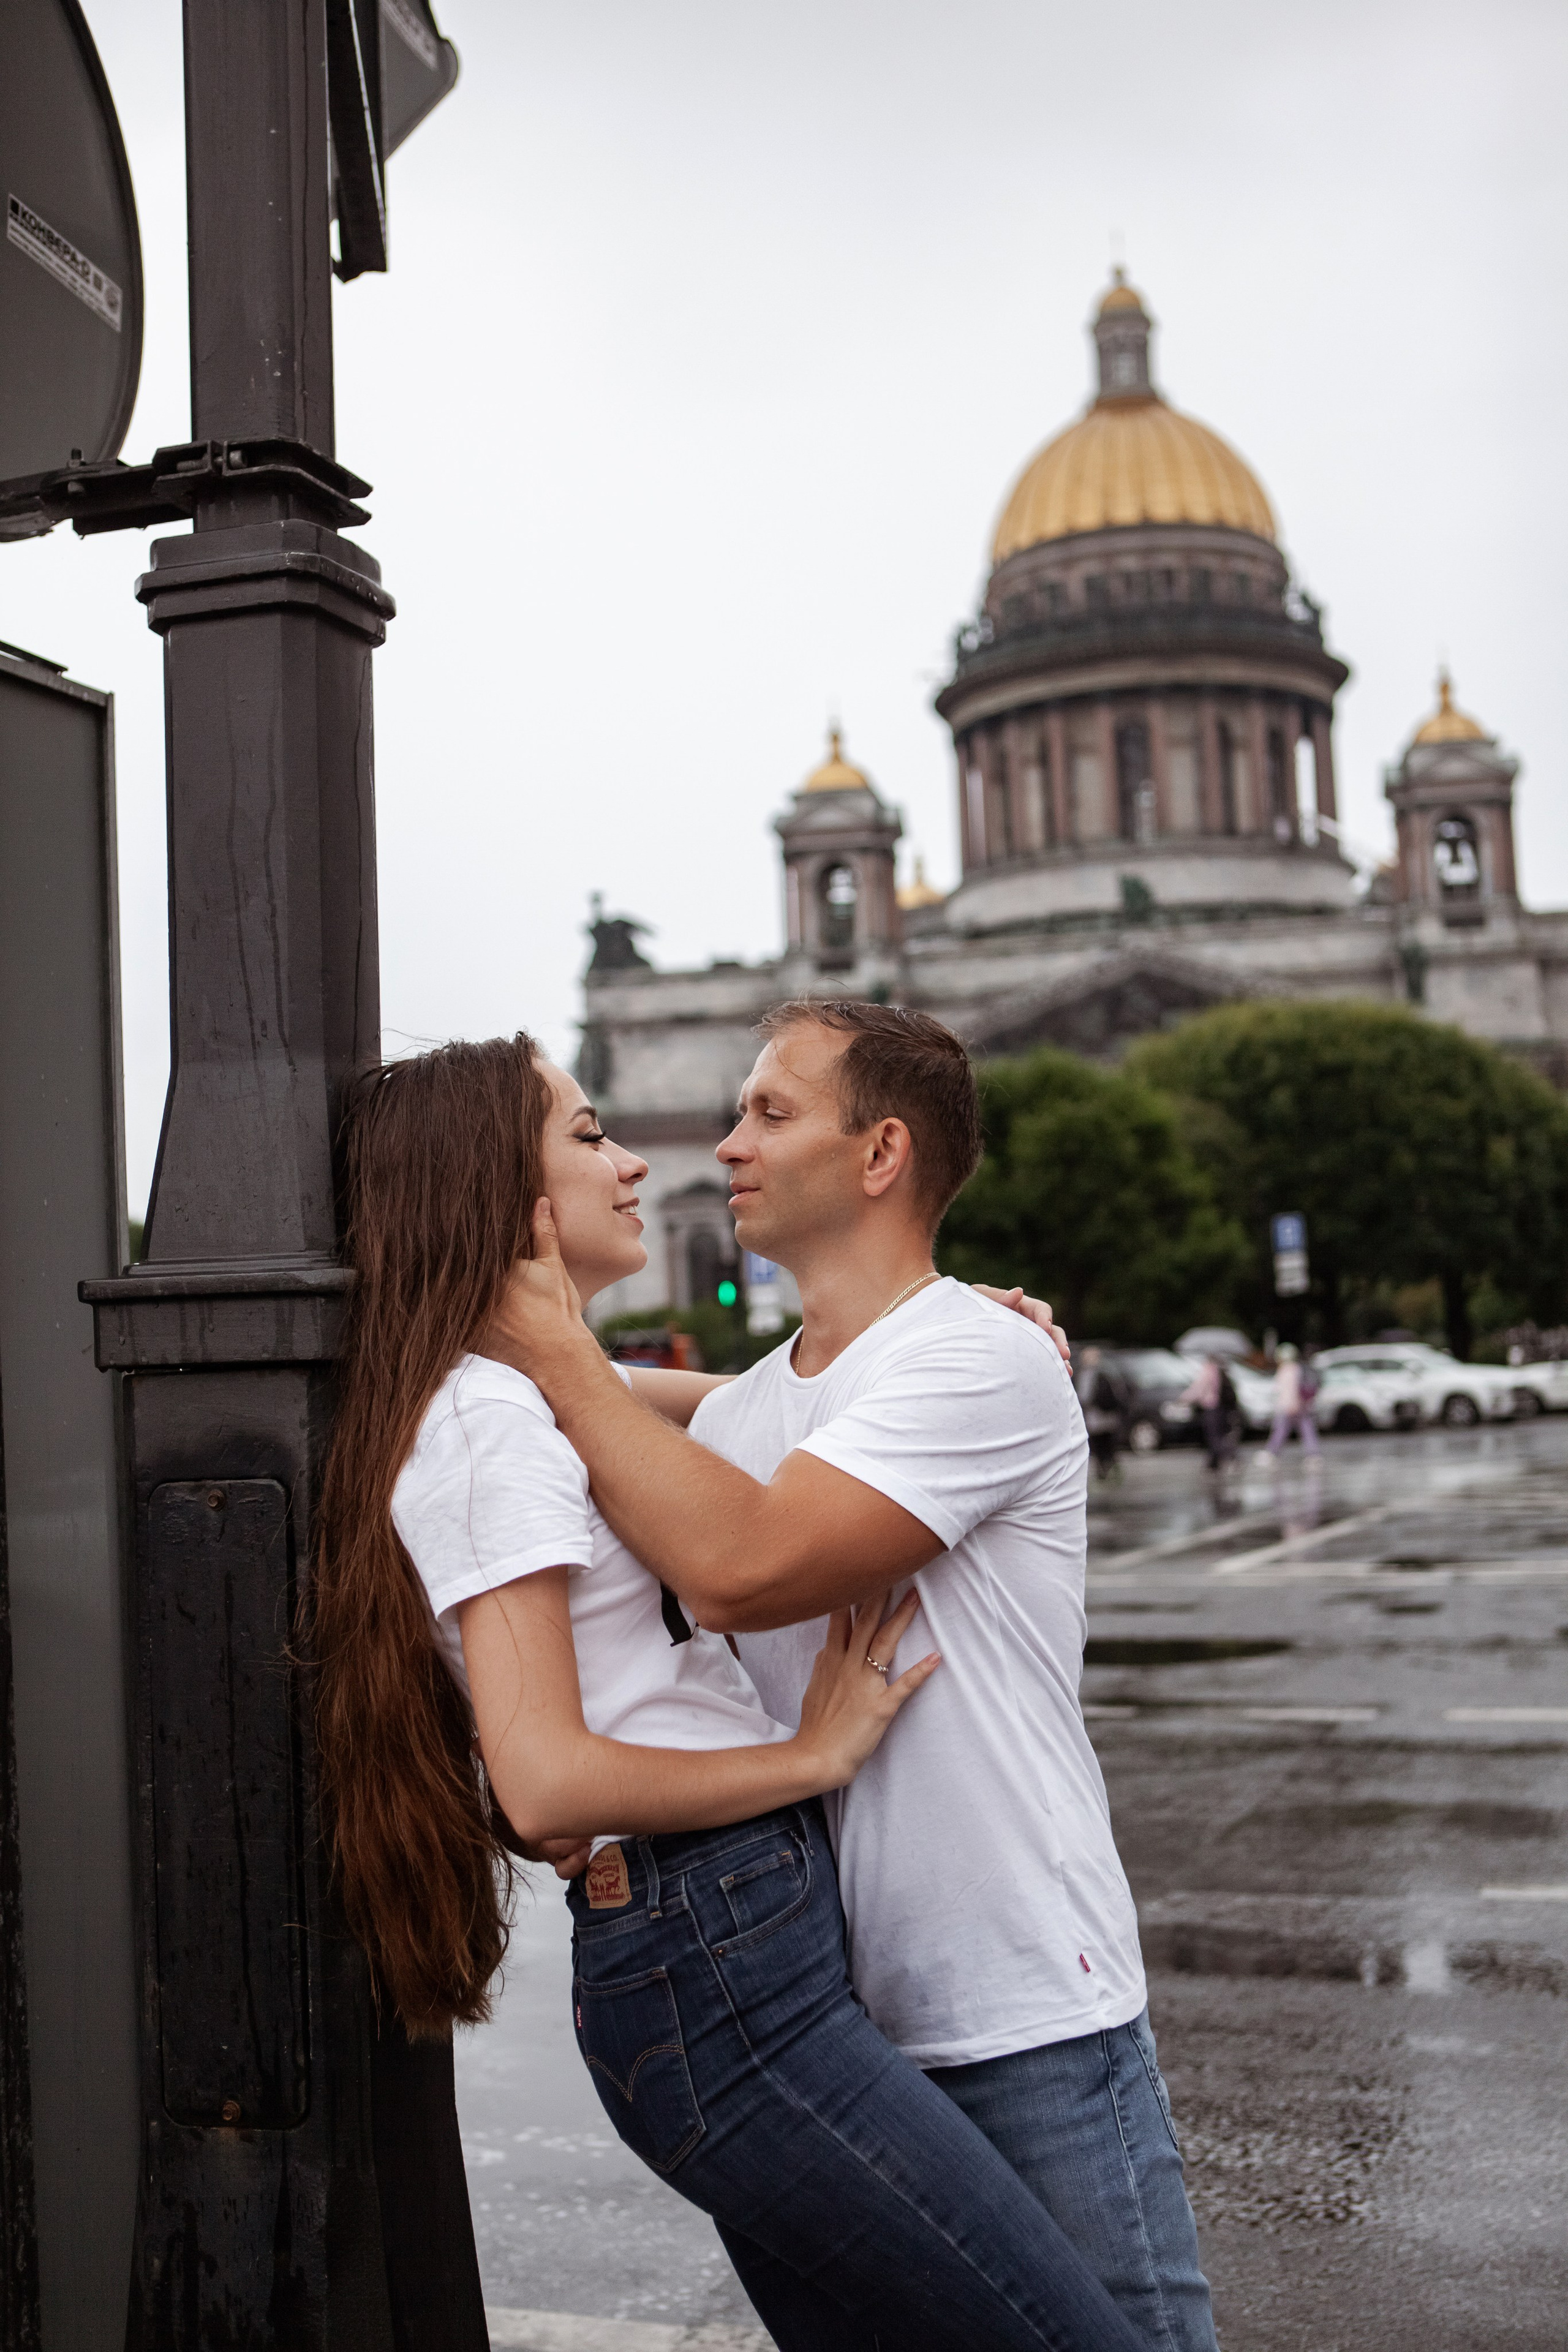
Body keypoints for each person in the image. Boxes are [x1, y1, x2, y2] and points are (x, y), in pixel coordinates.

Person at [310, 1034, 1151, 2352]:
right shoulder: (494, 1421)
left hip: (760, 1944)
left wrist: (949, 1326)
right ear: (499, 1194)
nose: (657, 1155)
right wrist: (806, 1761)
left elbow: (736, 1410)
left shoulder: (526, 1399)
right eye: (589, 1135)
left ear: (882, 1155)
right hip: (708, 1939)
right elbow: (545, 1779)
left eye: (765, 1111)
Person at [1076, 1344, 1129, 1480]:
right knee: (1098, 1444)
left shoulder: (1104, 1374)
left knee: (1108, 1444)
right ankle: (1103, 1470)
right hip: (1093, 1416)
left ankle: (1111, 1468)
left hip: (1104, 1415)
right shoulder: (1082, 1374)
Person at [1180, 1355, 1239, 1473]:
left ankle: (1230, 1457)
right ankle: (1213, 1464)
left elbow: (1198, 1389)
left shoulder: (1208, 1370)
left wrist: (1183, 1398)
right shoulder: (1219, 1369)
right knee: (1216, 1436)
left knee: (1213, 1437)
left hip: (1211, 1408)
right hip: (1220, 1409)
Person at [1267, 1340, 1320, 1455]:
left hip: (1289, 1406)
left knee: (1281, 1430)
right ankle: (1313, 1453)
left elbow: (1291, 1390)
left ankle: (1272, 1452)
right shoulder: (1297, 1368)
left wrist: (1293, 1405)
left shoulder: (1288, 1370)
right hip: (1299, 1406)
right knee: (1306, 1429)